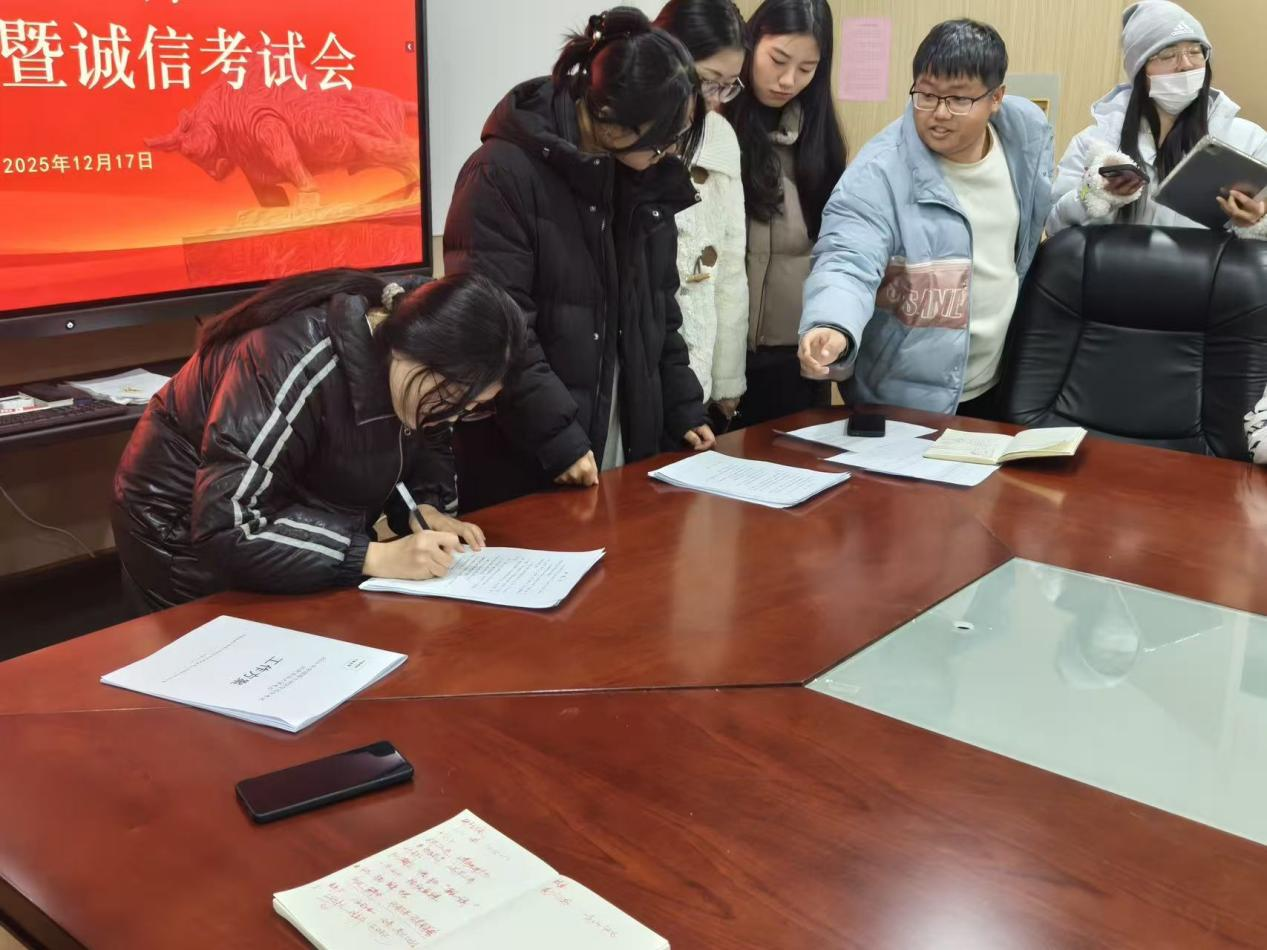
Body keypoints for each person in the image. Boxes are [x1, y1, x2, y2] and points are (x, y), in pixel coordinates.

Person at [111, 271, 525, 612]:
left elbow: (419, 441)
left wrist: (424, 507)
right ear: (415, 351)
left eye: (471, 407)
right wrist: (374, 556)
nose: (451, 417)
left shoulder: (417, 369)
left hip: (283, 515)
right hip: (181, 529)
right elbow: (231, 523)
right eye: (450, 398)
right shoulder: (294, 359)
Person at [443, 7, 715, 512]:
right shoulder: (501, 175)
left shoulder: (643, 177)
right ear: (609, 121)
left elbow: (659, 307)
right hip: (531, 456)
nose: (670, 152)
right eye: (662, 140)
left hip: (621, 440)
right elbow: (498, 331)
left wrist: (682, 404)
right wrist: (557, 438)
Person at [798, 19, 1053, 418]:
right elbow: (847, 258)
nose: (939, 113)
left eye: (959, 99)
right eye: (927, 95)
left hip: (1000, 380)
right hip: (903, 398)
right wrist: (832, 323)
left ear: (996, 98)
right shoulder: (878, 173)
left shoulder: (1025, 138)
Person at [1048, 1, 1267, 238]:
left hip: (1208, 263)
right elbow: (1053, 224)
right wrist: (1090, 192)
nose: (1185, 65)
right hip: (1117, 262)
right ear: (1140, 70)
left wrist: (1257, 221)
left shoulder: (1248, 140)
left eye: (1195, 51)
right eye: (1167, 54)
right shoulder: (1095, 141)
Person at [726, 0, 846, 428]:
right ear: (751, 41)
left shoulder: (820, 139)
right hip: (719, 358)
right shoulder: (715, 127)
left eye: (807, 68)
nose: (788, 80)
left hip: (792, 360)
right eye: (778, 60)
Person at [654, 0, 750, 431]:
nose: (713, 100)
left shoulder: (721, 135)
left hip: (700, 366)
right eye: (709, 82)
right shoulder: (638, 134)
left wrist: (728, 379)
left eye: (728, 86)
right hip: (644, 369)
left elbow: (729, 268)